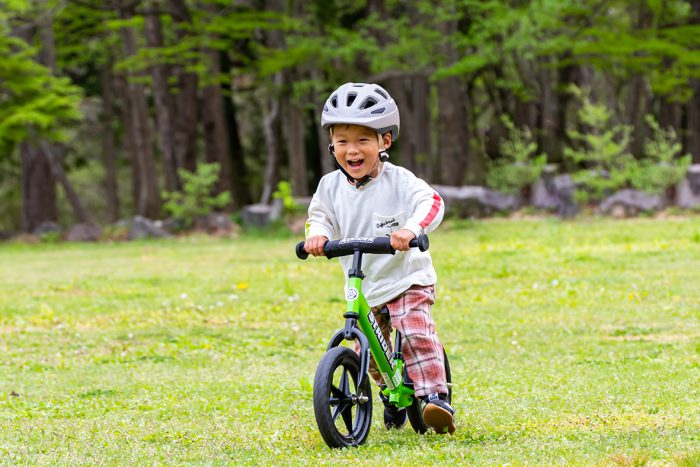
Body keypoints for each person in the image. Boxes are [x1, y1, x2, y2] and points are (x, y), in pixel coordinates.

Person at [304, 82, 455, 435]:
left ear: (384, 142)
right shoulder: (329, 186)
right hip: (367, 284)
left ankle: (435, 397)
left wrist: (411, 229)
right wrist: (317, 235)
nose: (352, 150)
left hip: (406, 279)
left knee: (414, 331)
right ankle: (389, 394)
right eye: (343, 141)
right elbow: (319, 215)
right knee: (367, 350)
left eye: (363, 141)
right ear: (332, 145)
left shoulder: (399, 181)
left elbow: (432, 202)